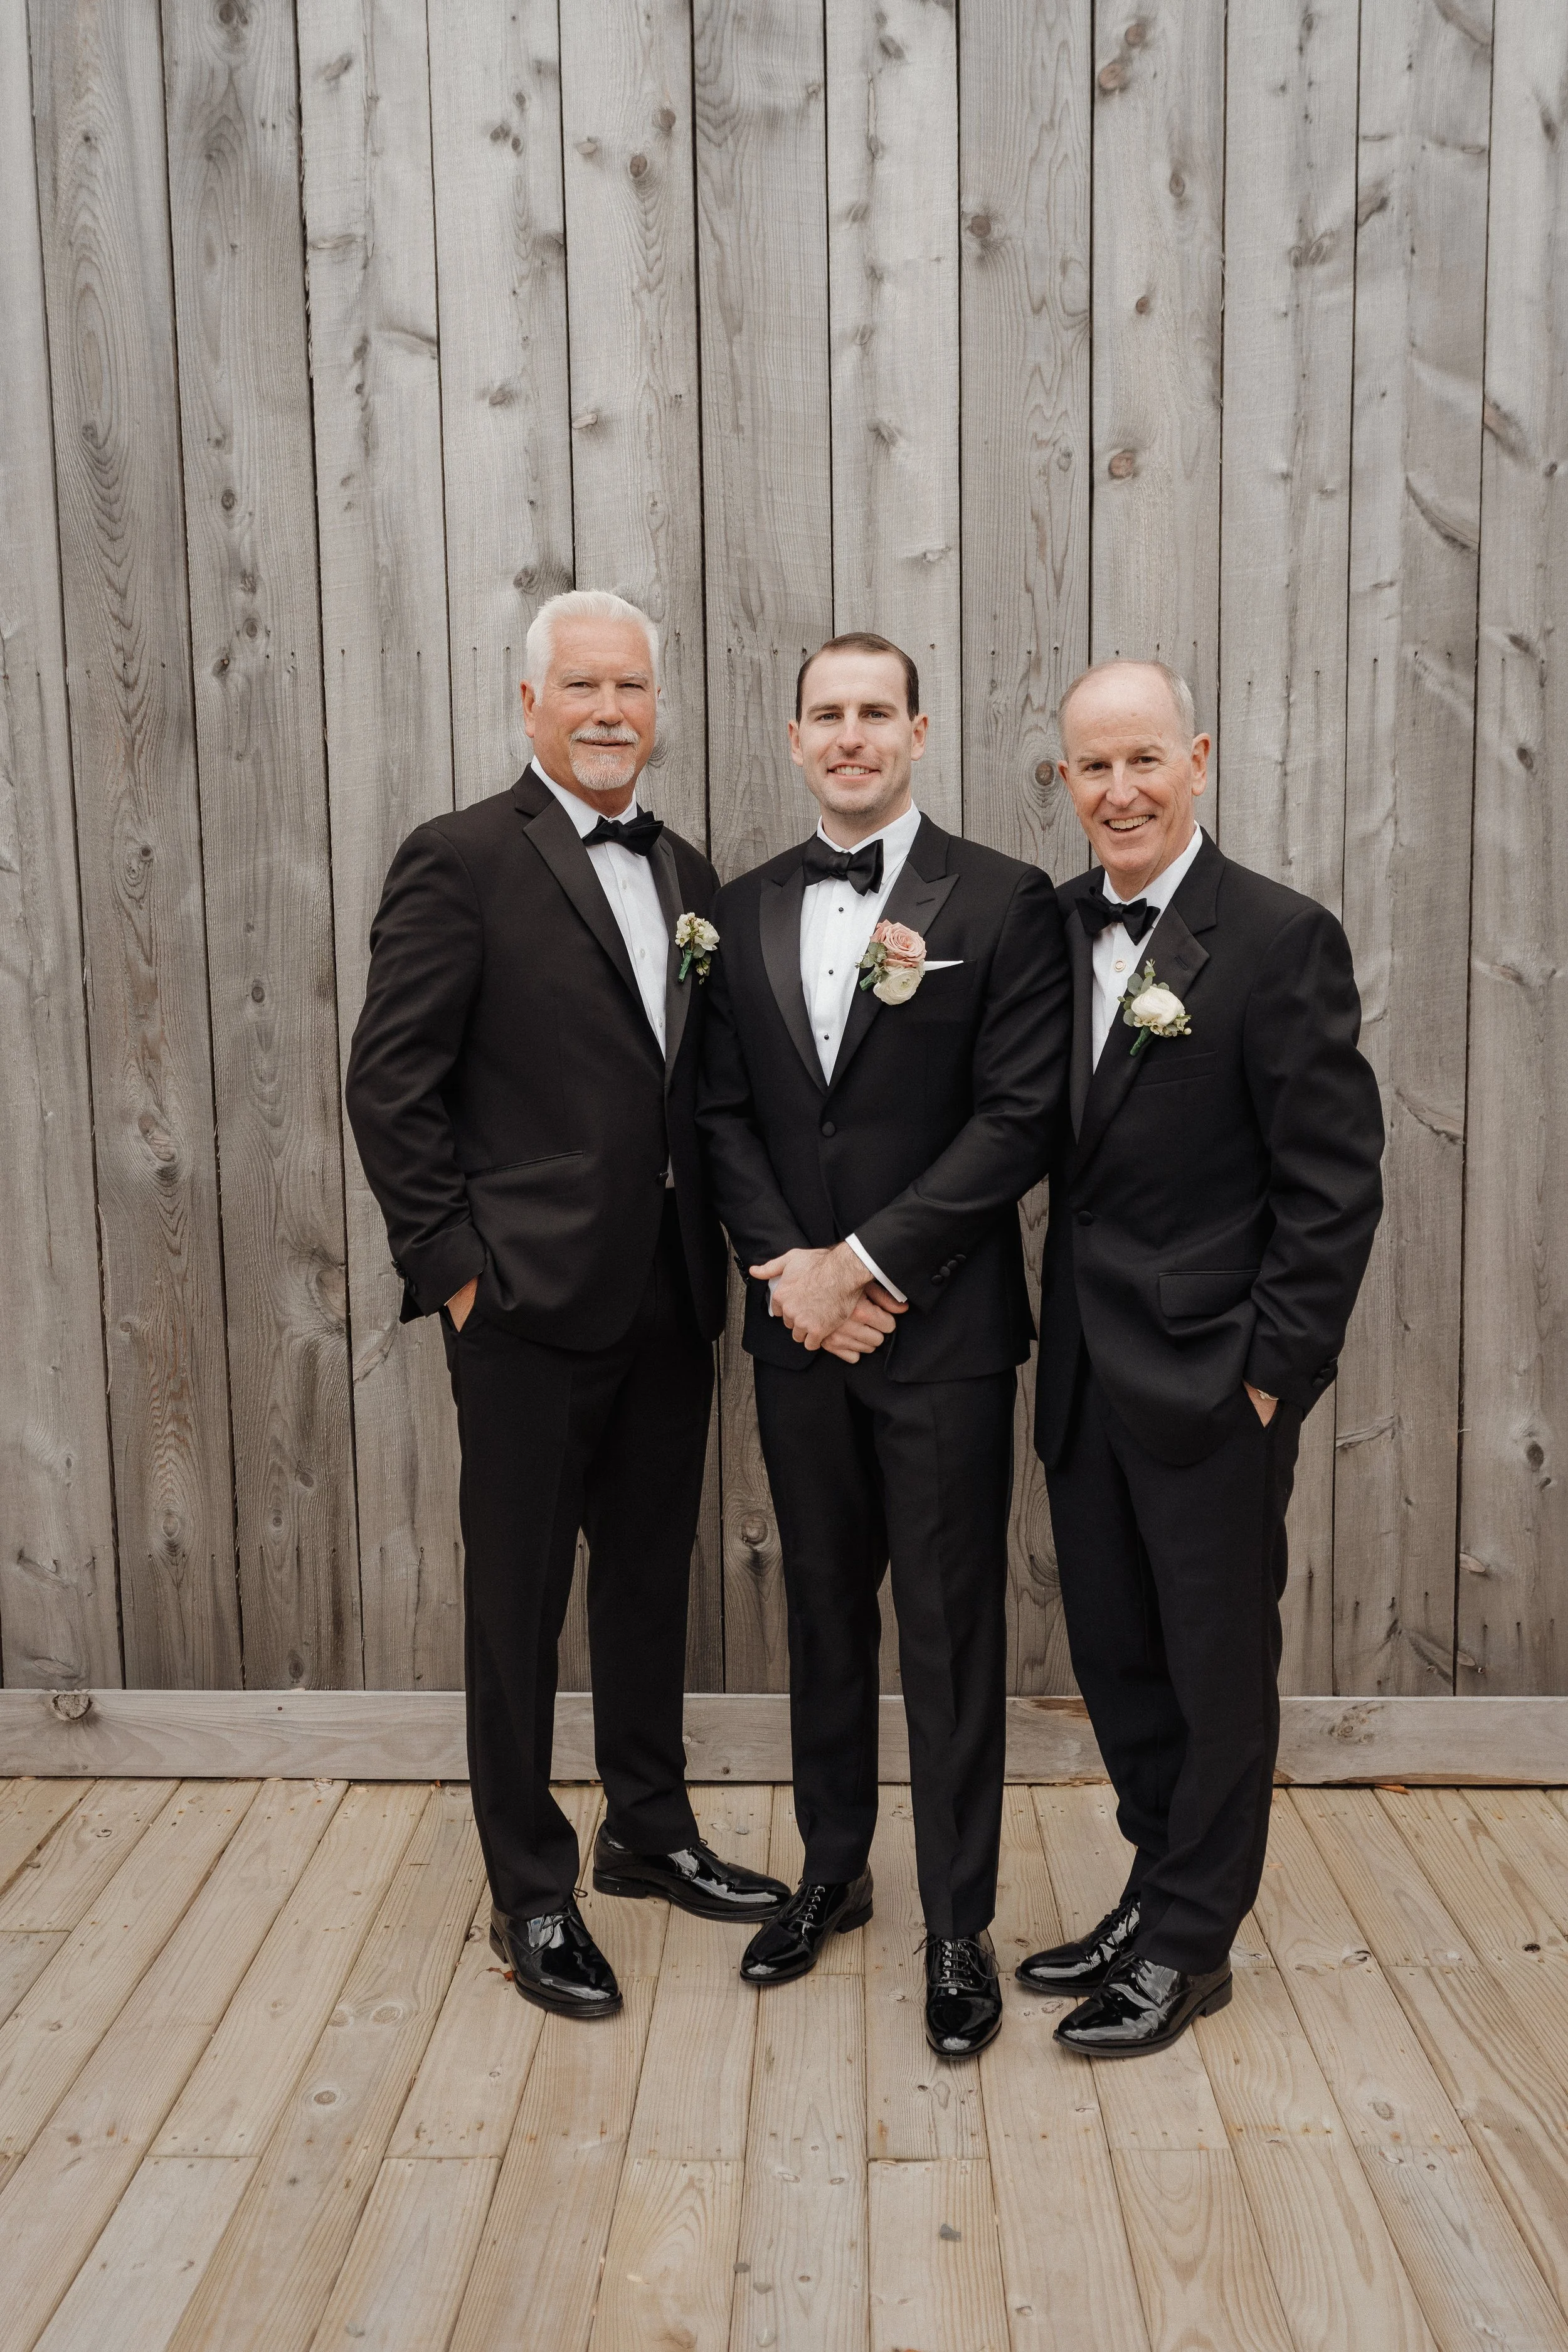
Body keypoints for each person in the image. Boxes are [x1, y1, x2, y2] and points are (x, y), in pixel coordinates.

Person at [345, 590, 787, 2021]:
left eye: (632, 687)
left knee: (651, 1584)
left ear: (657, 709)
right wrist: (460, 1274)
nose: (609, 711)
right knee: (518, 1604)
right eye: (581, 686)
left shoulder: (686, 871)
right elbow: (390, 1085)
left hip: (667, 1292)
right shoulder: (461, 860)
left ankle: (646, 1835)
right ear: (528, 705)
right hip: (525, 1306)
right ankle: (529, 1889)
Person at [699, 632, 1072, 2058]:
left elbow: (1013, 1120)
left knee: (950, 1625)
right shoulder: (736, 912)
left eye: (875, 714)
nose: (850, 737)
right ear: (793, 739)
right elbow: (720, 1115)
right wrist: (788, 1274)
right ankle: (830, 1872)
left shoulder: (999, 899)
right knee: (817, 1609)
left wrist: (860, 1264)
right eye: (825, 716)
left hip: (942, 1333)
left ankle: (958, 1921)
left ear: (918, 732)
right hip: (796, 1330)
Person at [1019, 658, 1384, 2055]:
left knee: (1213, 1664)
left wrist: (1267, 1373)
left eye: (1141, 761)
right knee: (1116, 1655)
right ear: (1065, 783)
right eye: (1090, 768)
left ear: (1197, 759)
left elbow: (1330, 1184)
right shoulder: (1046, 931)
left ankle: (1191, 1945)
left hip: (1213, 1378)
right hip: (1082, 1381)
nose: (1117, 791)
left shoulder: (1279, 939)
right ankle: (1151, 1883)